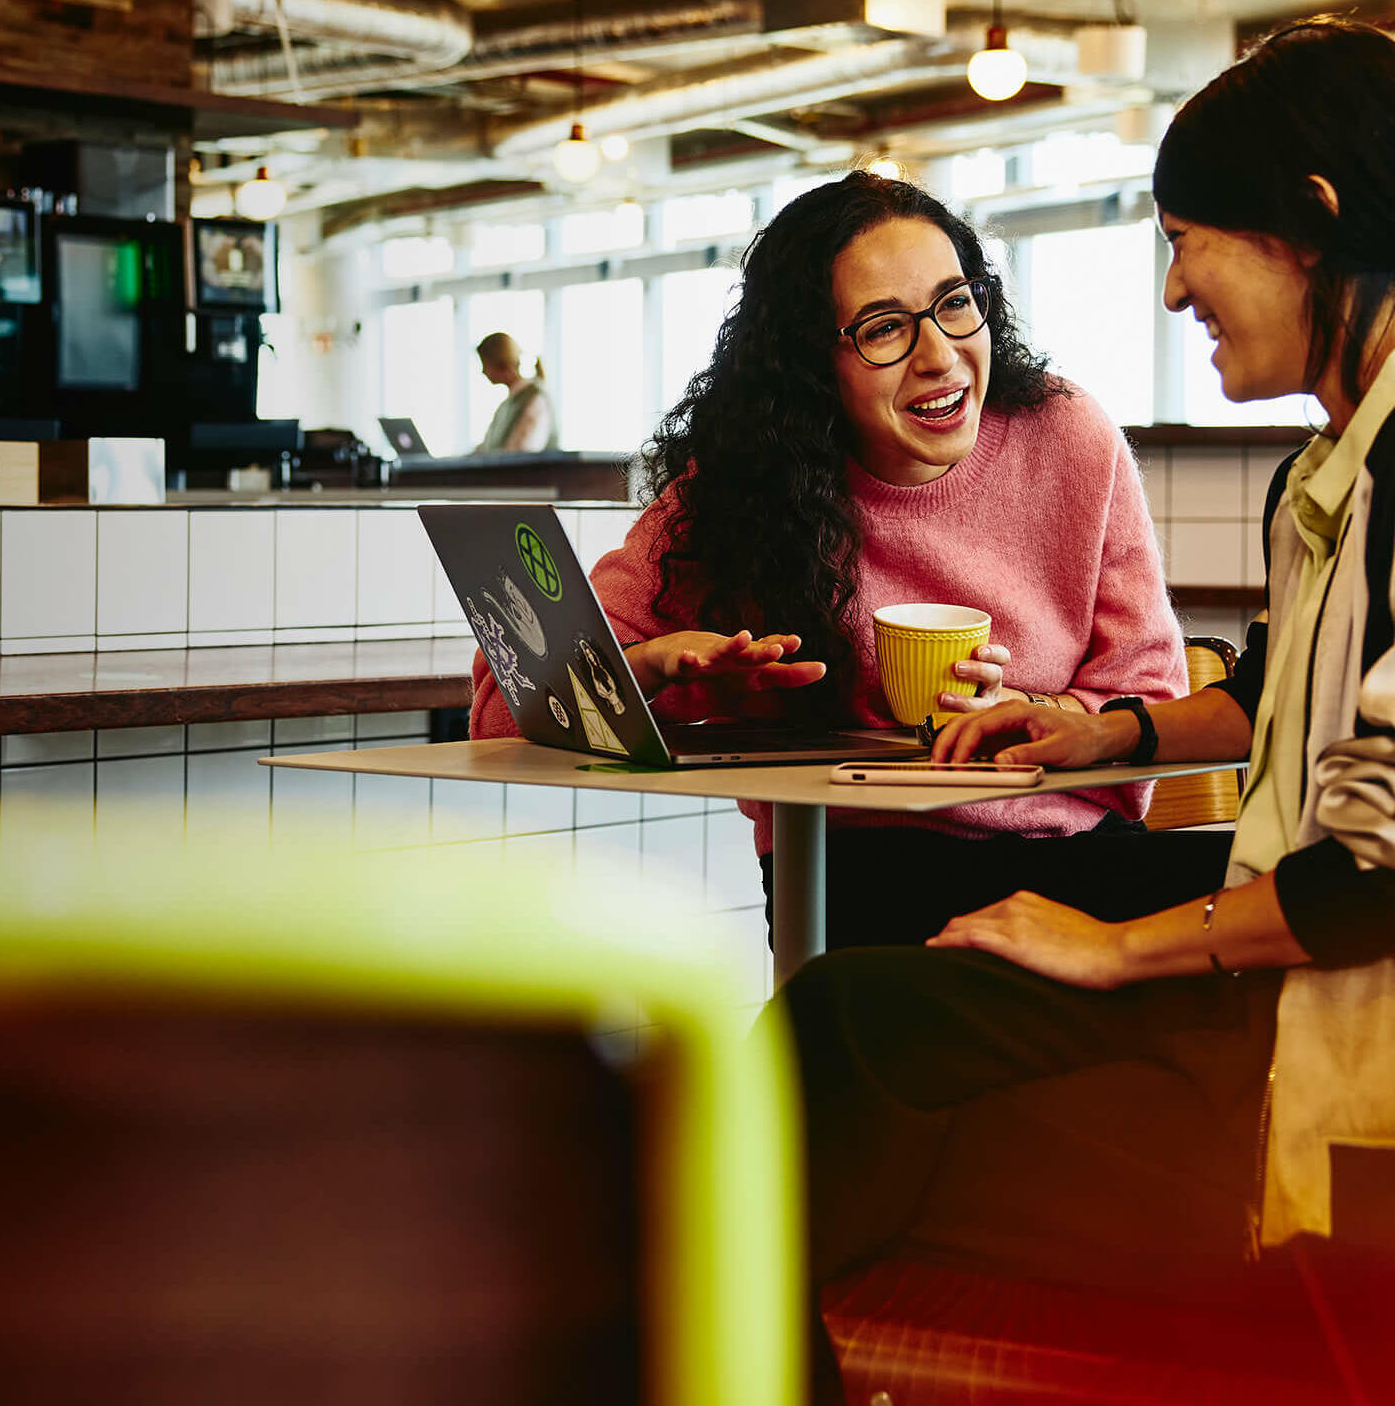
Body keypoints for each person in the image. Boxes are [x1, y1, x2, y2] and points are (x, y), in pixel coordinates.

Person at [780, 19, 1395, 1390]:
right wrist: (1105, 731)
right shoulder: (1383, 445)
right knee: (881, 1010)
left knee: (848, 1047)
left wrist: (1119, 948)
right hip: (1355, 993)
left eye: (1192, 238)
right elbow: (1291, 692)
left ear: (1309, 222)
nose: (1179, 285)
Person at [464, 173, 1197, 948]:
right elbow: (503, 713)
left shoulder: (1068, 435)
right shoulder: (744, 485)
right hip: (855, 877)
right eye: (885, 328)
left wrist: (1035, 716)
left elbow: (1148, 698)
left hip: (1075, 865)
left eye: (956, 302)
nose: (941, 356)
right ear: (810, 362)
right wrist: (653, 668)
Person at [471, 331, 561, 453]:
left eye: (484, 364)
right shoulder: (508, 404)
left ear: (500, 363)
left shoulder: (535, 398)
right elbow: (489, 447)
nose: (483, 371)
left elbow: (523, 450)